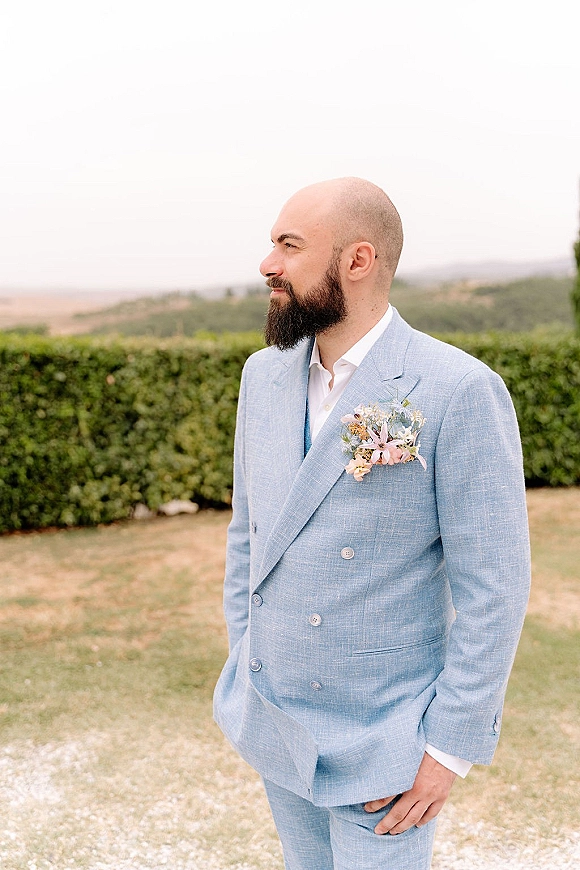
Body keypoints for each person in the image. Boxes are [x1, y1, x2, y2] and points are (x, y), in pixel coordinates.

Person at [213, 177, 531, 870]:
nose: (268, 263)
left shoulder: (458, 390)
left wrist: (448, 747)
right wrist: (247, 659)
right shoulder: (261, 377)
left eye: (289, 246)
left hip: (386, 745)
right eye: (273, 243)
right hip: (276, 721)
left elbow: (496, 586)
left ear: (358, 262)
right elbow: (250, 537)